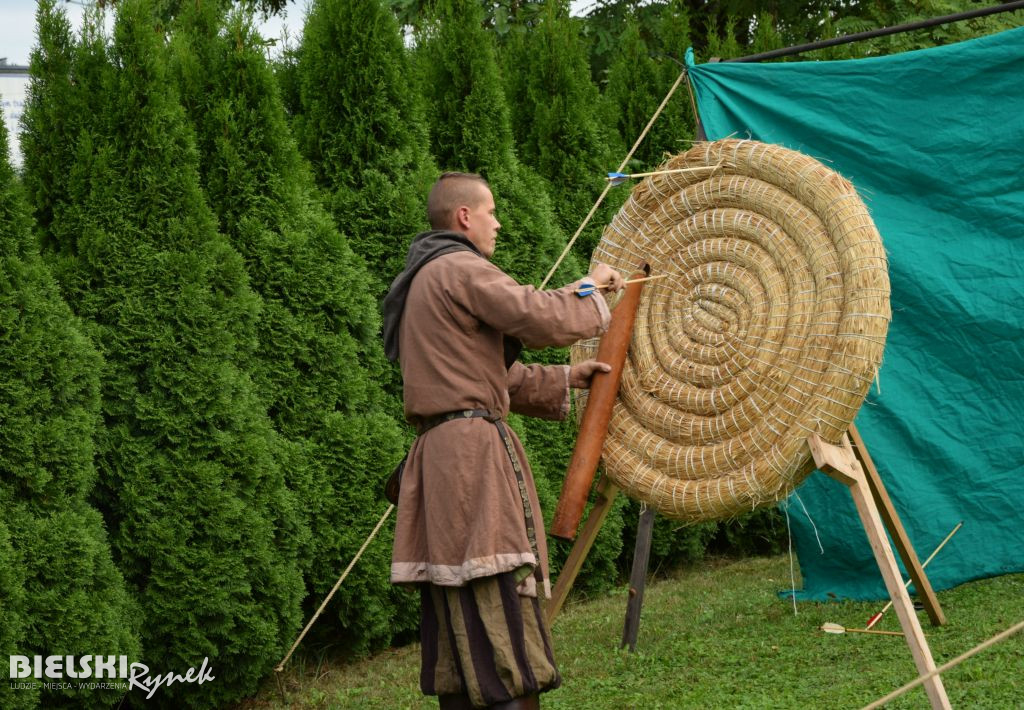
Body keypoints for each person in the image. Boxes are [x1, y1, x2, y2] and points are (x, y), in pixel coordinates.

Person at [382, 172, 625, 709]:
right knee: (497, 605)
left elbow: (486, 376)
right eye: (490, 211)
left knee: (462, 611)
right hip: (468, 459)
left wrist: (565, 378)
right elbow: (535, 314)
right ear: (463, 217)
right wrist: (592, 287)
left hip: (442, 459)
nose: (498, 222)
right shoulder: (458, 266)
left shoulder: (426, 277)